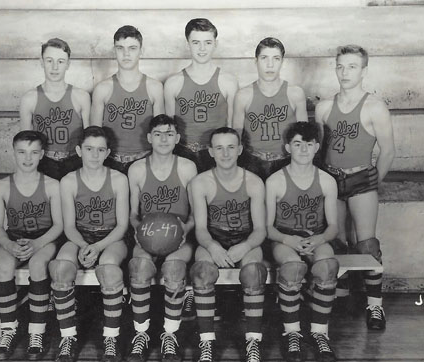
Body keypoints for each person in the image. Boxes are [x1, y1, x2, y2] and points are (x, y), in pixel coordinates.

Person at [315, 45, 395, 330]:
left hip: (361, 179)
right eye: (341, 66)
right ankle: (341, 295)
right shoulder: (324, 107)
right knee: (335, 239)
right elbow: (318, 150)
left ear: (363, 70)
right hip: (331, 179)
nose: (345, 72)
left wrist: (373, 182)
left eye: (352, 66)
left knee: (366, 243)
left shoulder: (374, 106)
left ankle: (375, 306)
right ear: (335, 68)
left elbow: (387, 151)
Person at [49, 126, 129, 362]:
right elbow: (69, 226)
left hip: (111, 238)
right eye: (89, 149)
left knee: (110, 269)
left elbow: (123, 225)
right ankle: (68, 336)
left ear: (108, 152)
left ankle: (111, 338)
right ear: (78, 150)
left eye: (100, 150)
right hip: (79, 237)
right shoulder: (69, 181)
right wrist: (85, 245)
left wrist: (98, 247)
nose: (94, 155)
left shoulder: (118, 179)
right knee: (61, 268)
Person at [190, 127, 267, 362]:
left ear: (240, 150)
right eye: (219, 148)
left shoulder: (253, 181)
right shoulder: (200, 182)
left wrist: (244, 246)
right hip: (214, 238)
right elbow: (200, 229)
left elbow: (260, 231)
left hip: (245, 239)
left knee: (254, 273)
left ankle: (253, 342)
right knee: (202, 272)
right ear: (211, 151)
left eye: (231, 147)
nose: (225, 153)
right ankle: (206, 341)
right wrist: (212, 247)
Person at [126, 114, 197, 362]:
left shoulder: (187, 167)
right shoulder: (136, 169)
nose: (164, 138)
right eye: (158, 133)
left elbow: (195, 212)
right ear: (149, 138)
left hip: (179, 236)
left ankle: (170, 334)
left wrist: (186, 229)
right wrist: (138, 230)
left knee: (175, 270)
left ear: (177, 138)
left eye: (169, 133)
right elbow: (133, 214)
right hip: (148, 235)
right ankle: (141, 333)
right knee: (140, 268)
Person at [266, 122, 339, 362]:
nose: (304, 149)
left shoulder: (327, 180)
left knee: (327, 266)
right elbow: (267, 227)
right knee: (292, 267)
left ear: (317, 147)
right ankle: (292, 332)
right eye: (297, 144)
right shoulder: (275, 181)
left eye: (309, 144)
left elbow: (333, 227)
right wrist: (289, 240)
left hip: (315, 236)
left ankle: (320, 332)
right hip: (284, 237)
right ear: (288, 147)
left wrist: (319, 239)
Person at [0, 130, 63, 361]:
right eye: (22, 152)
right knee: (2, 265)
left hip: (44, 239)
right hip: (15, 238)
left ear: (42, 154)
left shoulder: (52, 185)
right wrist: (9, 246)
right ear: (14, 153)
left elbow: (59, 225)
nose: (27, 158)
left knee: (38, 265)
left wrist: (37, 243)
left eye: (33, 153)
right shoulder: (0, 186)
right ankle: (8, 329)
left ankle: (36, 332)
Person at [164, 18, 238, 172]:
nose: (202, 48)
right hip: (183, 151)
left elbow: (233, 128)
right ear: (187, 44)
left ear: (215, 44)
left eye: (208, 42)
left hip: (217, 153)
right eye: (196, 42)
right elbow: (168, 130)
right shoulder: (173, 83)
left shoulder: (228, 81)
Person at [91, 25, 164, 174]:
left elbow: (159, 134)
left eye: (132, 48)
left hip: (144, 159)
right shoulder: (103, 89)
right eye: (120, 48)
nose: (126, 54)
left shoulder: (154, 87)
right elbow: (95, 136)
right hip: (110, 160)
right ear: (114, 51)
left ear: (141, 51)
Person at [233, 37, 308, 182]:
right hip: (252, 162)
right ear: (256, 61)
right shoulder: (243, 95)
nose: (270, 64)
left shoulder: (295, 93)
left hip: (286, 162)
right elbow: (235, 139)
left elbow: (304, 138)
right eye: (264, 58)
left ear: (282, 61)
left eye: (276, 58)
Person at [20, 38, 91, 180]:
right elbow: (25, 144)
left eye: (60, 61)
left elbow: (90, 141)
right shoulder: (29, 98)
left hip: (75, 162)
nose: (54, 67)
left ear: (68, 64)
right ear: (41, 62)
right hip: (44, 163)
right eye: (49, 60)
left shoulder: (81, 96)